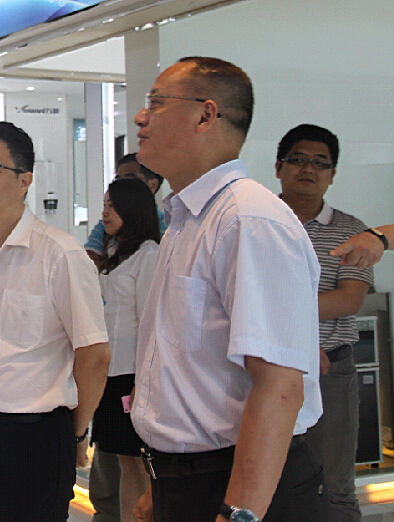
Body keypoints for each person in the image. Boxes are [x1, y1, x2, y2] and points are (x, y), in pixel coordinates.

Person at [130, 57, 326, 522]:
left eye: (156, 103)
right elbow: (190, 372)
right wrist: (163, 481)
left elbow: (279, 387)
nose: (140, 117)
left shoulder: (248, 219)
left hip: (240, 486)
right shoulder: (188, 219)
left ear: (205, 115)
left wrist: (238, 512)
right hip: (189, 478)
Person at [0, 121, 110, 522]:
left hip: (34, 436)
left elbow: (95, 354)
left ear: (25, 180)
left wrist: (76, 432)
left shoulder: (60, 254)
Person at [275, 124, 374, 522]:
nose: (308, 169)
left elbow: (348, 299)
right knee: (265, 480)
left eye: (320, 163)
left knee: (335, 486)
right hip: (262, 366)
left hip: (330, 369)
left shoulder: (351, 231)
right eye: (298, 160)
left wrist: (272, 311)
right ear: (279, 167)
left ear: (332, 174)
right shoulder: (257, 222)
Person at [85, 154, 165, 521]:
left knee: (141, 464)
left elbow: (153, 321)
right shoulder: (115, 252)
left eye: (112, 206)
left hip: (133, 375)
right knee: (123, 461)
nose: (105, 213)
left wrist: (145, 380)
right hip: (110, 372)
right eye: (104, 205)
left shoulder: (148, 255)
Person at [84, 153, 165, 265]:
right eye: (118, 179)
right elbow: (88, 262)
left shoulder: (167, 229)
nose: (121, 185)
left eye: (129, 179)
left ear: (152, 185)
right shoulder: (105, 227)